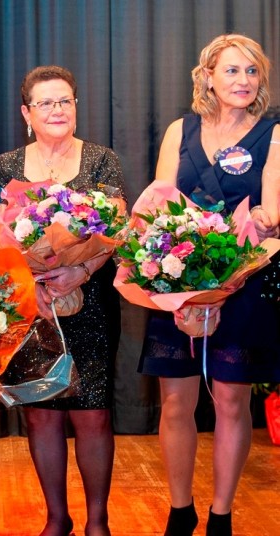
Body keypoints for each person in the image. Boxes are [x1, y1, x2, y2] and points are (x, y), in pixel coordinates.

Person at [139, 34, 280, 536]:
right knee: (176, 402)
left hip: (242, 283)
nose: (244, 80)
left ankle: (221, 515)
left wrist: (262, 220)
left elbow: (273, 209)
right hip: (177, 281)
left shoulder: (274, 133)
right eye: (232, 70)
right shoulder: (181, 130)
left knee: (230, 401)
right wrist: (171, 263)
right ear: (208, 78)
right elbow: (159, 203)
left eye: (252, 71)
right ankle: (181, 511)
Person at [0, 65, 125, 536]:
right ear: (26, 113)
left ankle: (97, 522)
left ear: (76, 107)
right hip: (31, 306)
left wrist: (80, 270)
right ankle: (56, 518)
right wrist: (34, 283)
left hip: (92, 302)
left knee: (93, 414)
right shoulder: (6, 166)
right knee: (41, 414)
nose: (57, 110)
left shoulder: (102, 159)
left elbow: (115, 230)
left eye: (65, 100)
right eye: (45, 102)